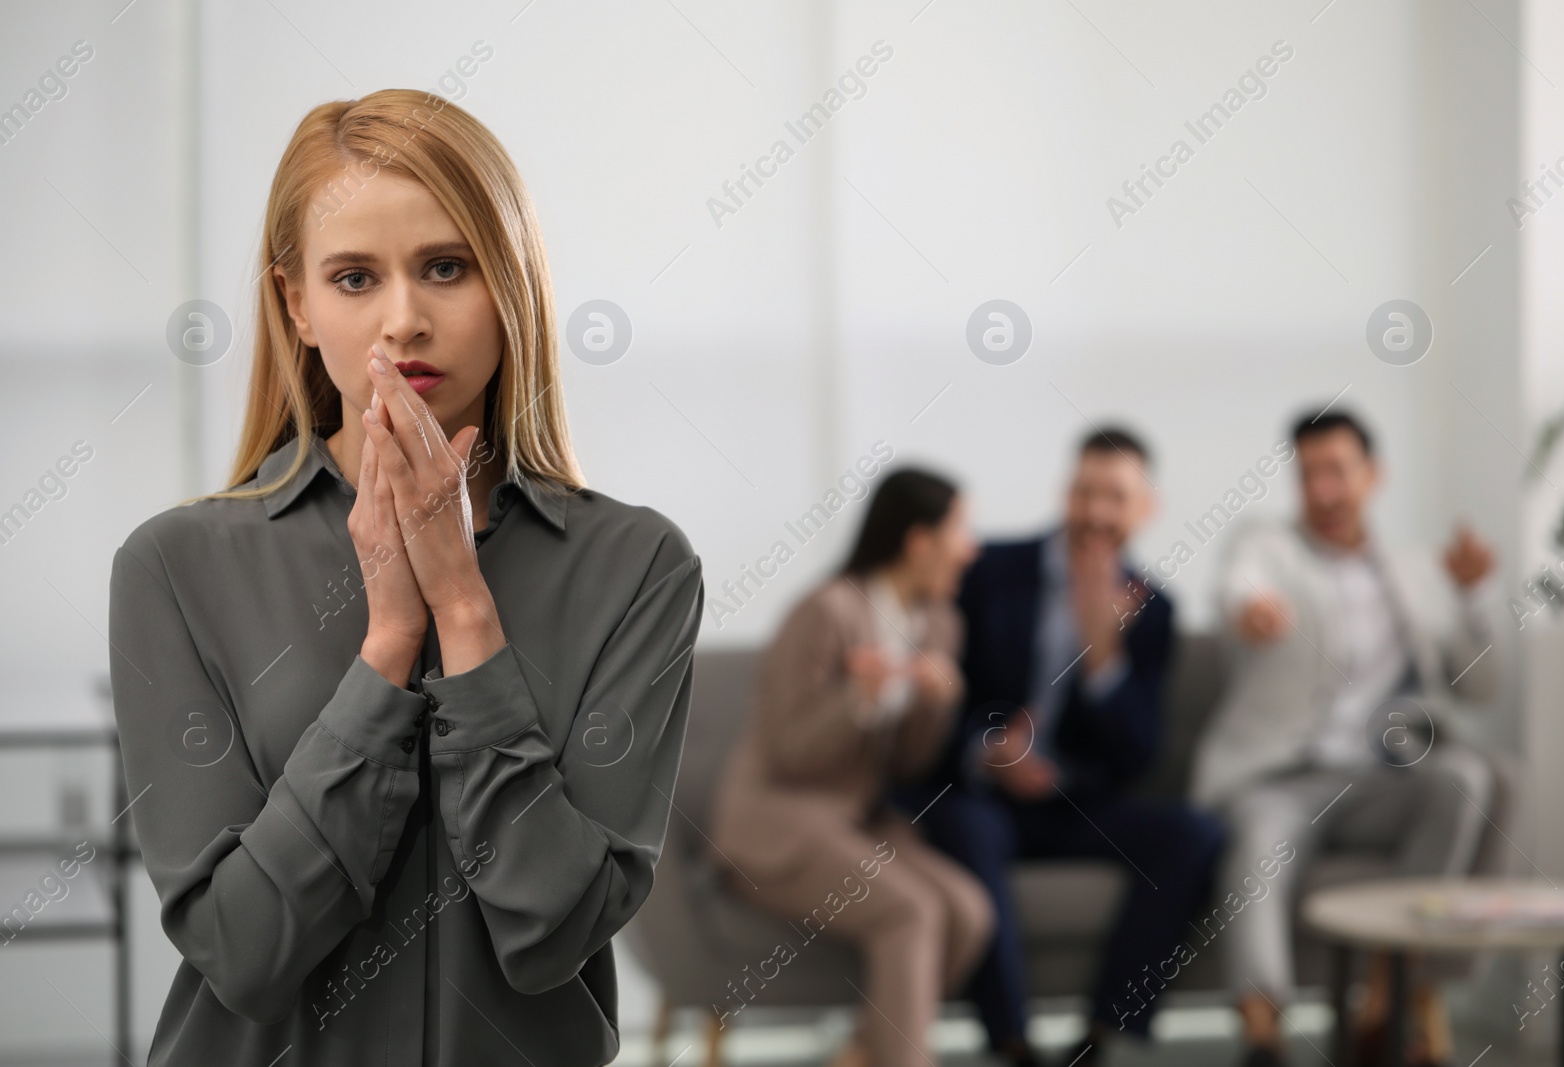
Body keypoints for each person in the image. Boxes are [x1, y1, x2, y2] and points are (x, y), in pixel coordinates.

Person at [106, 90, 704, 1066]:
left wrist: (465, 612)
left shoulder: (639, 566)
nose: (404, 319)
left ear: (509, 281)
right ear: (295, 303)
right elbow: (247, 952)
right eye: (353, 277)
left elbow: (554, 928)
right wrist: (385, 647)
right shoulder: (173, 567)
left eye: (445, 266)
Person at [897, 428, 1226, 1067]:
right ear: (1064, 494)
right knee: (964, 828)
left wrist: (1104, 655)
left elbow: (1138, 756)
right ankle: (1013, 1043)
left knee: (1193, 834)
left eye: (1116, 497)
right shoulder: (988, 570)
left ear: (1145, 509)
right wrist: (989, 749)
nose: (1097, 513)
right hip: (984, 794)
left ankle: (1105, 1034)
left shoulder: (1152, 610)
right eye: (1085, 493)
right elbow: (940, 689)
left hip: (1074, 802)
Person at [1191, 409, 1499, 1067]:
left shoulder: (1416, 570)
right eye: (1309, 475)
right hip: (1277, 775)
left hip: (1379, 777)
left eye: (1337, 471)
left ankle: (1384, 997)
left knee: (1464, 777)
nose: (1324, 491)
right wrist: (1252, 608)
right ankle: (1263, 1034)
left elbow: (1477, 687)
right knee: (1254, 844)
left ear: (1373, 475)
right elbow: (1239, 583)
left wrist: (1473, 596)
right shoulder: (1267, 545)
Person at [708, 469, 994, 1067]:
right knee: (910, 911)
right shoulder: (827, 612)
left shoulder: (940, 624)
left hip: (855, 820)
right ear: (920, 541)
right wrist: (857, 700)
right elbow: (789, 753)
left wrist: (934, 706)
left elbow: (911, 762)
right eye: (961, 531)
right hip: (776, 823)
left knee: (969, 912)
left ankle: (865, 1053)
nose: (972, 549)